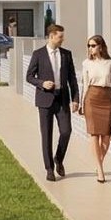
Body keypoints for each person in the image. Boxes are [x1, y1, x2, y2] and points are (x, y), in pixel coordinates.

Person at [23, 24, 78, 181]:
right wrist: (42, 83)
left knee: (66, 131)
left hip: (62, 99)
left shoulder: (66, 54)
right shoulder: (38, 54)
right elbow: (29, 76)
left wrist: (75, 99)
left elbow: (72, 79)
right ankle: (49, 169)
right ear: (52, 36)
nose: (62, 39)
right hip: (45, 100)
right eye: (60, 37)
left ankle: (58, 159)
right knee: (46, 135)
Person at [78, 35, 111, 183]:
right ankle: (100, 169)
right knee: (94, 135)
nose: (90, 48)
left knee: (106, 136)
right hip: (91, 98)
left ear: (101, 47)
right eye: (89, 46)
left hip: (106, 98)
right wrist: (81, 104)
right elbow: (85, 85)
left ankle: (99, 163)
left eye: (93, 45)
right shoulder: (86, 63)